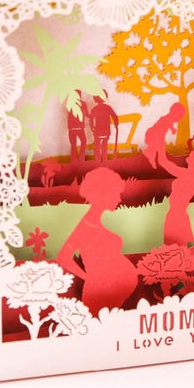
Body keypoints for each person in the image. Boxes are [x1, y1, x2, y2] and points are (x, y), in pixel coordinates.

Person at [56, 168, 137, 314]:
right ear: (105, 194)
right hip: (99, 296)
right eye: (116, 194)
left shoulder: (92, 221)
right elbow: (63, 257)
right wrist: (90, 278)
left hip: (110, 297)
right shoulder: (87, 224)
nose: (119, 199)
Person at [143, 102, 186, 168]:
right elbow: (167, 124)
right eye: (179, 117)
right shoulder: (167, 118)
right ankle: (152, 155)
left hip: (157, 134)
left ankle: (159, 159)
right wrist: (173, 130)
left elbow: (169, 125)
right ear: (174, 113)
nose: (179, 119)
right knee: (157, 146)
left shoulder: (169, 119)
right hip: (152, 133)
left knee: (160, 147)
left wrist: (172, 129)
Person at [89, 91, 119, 163]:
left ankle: (98, 161)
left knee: (97, 147)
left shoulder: (94, 108)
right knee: (104, 146)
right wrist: (116, 124)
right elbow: (114, 116)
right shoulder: (108, 107)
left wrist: (92, 127)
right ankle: (105, 160)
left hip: (97, 131)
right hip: (106, 131)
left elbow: (91, 119)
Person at [67, 90, 89, 163]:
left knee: (73, 144)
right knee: (84, 141)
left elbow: (69, 116)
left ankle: (74, 160)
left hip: (71, 128)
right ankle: (81, 159)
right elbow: (87, 115)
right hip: (80, 127)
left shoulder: (69, 104)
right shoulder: (83, 104)